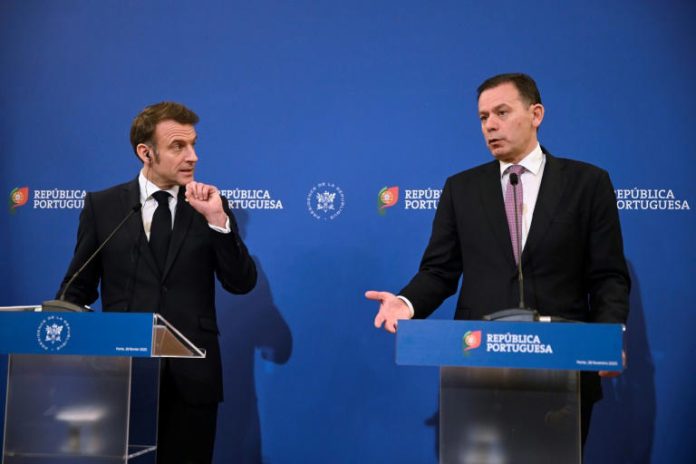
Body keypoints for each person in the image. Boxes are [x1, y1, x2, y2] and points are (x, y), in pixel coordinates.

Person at [366, 73, 630, 444]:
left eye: (501, 113)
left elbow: (608, 277)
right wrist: (406, 302)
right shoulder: (461, 189)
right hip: (478, 369)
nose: (490, 125)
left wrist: (608, 337)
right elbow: (439, 271)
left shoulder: (587, 183)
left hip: (562, 371)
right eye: (483, 117)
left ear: (536, 114)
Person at [57, 102, 257, 463]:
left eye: (193, 144)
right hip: (123, 376)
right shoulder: (104, 207)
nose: (192, 156)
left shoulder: (210, 205)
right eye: (178, 146)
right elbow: (77, 287)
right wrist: (62, 327)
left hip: (193, 379)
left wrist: (218, 222)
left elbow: (241, 283)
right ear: (145, 152)